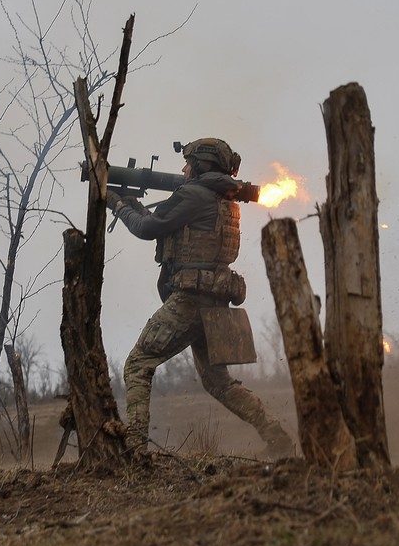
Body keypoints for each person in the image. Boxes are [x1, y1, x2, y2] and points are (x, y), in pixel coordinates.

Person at [108, 138, 295, 458]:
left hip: (190, 301)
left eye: (188, 163)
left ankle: (135, 451)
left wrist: (118, 204)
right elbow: (165, 224)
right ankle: (277, 436)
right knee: (217, 382)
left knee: (138, 365)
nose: (182, 169)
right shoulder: (224, 200)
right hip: (216, 302)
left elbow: (146, 228)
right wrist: (131, 203)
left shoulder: (194, 195)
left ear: (201, 166)